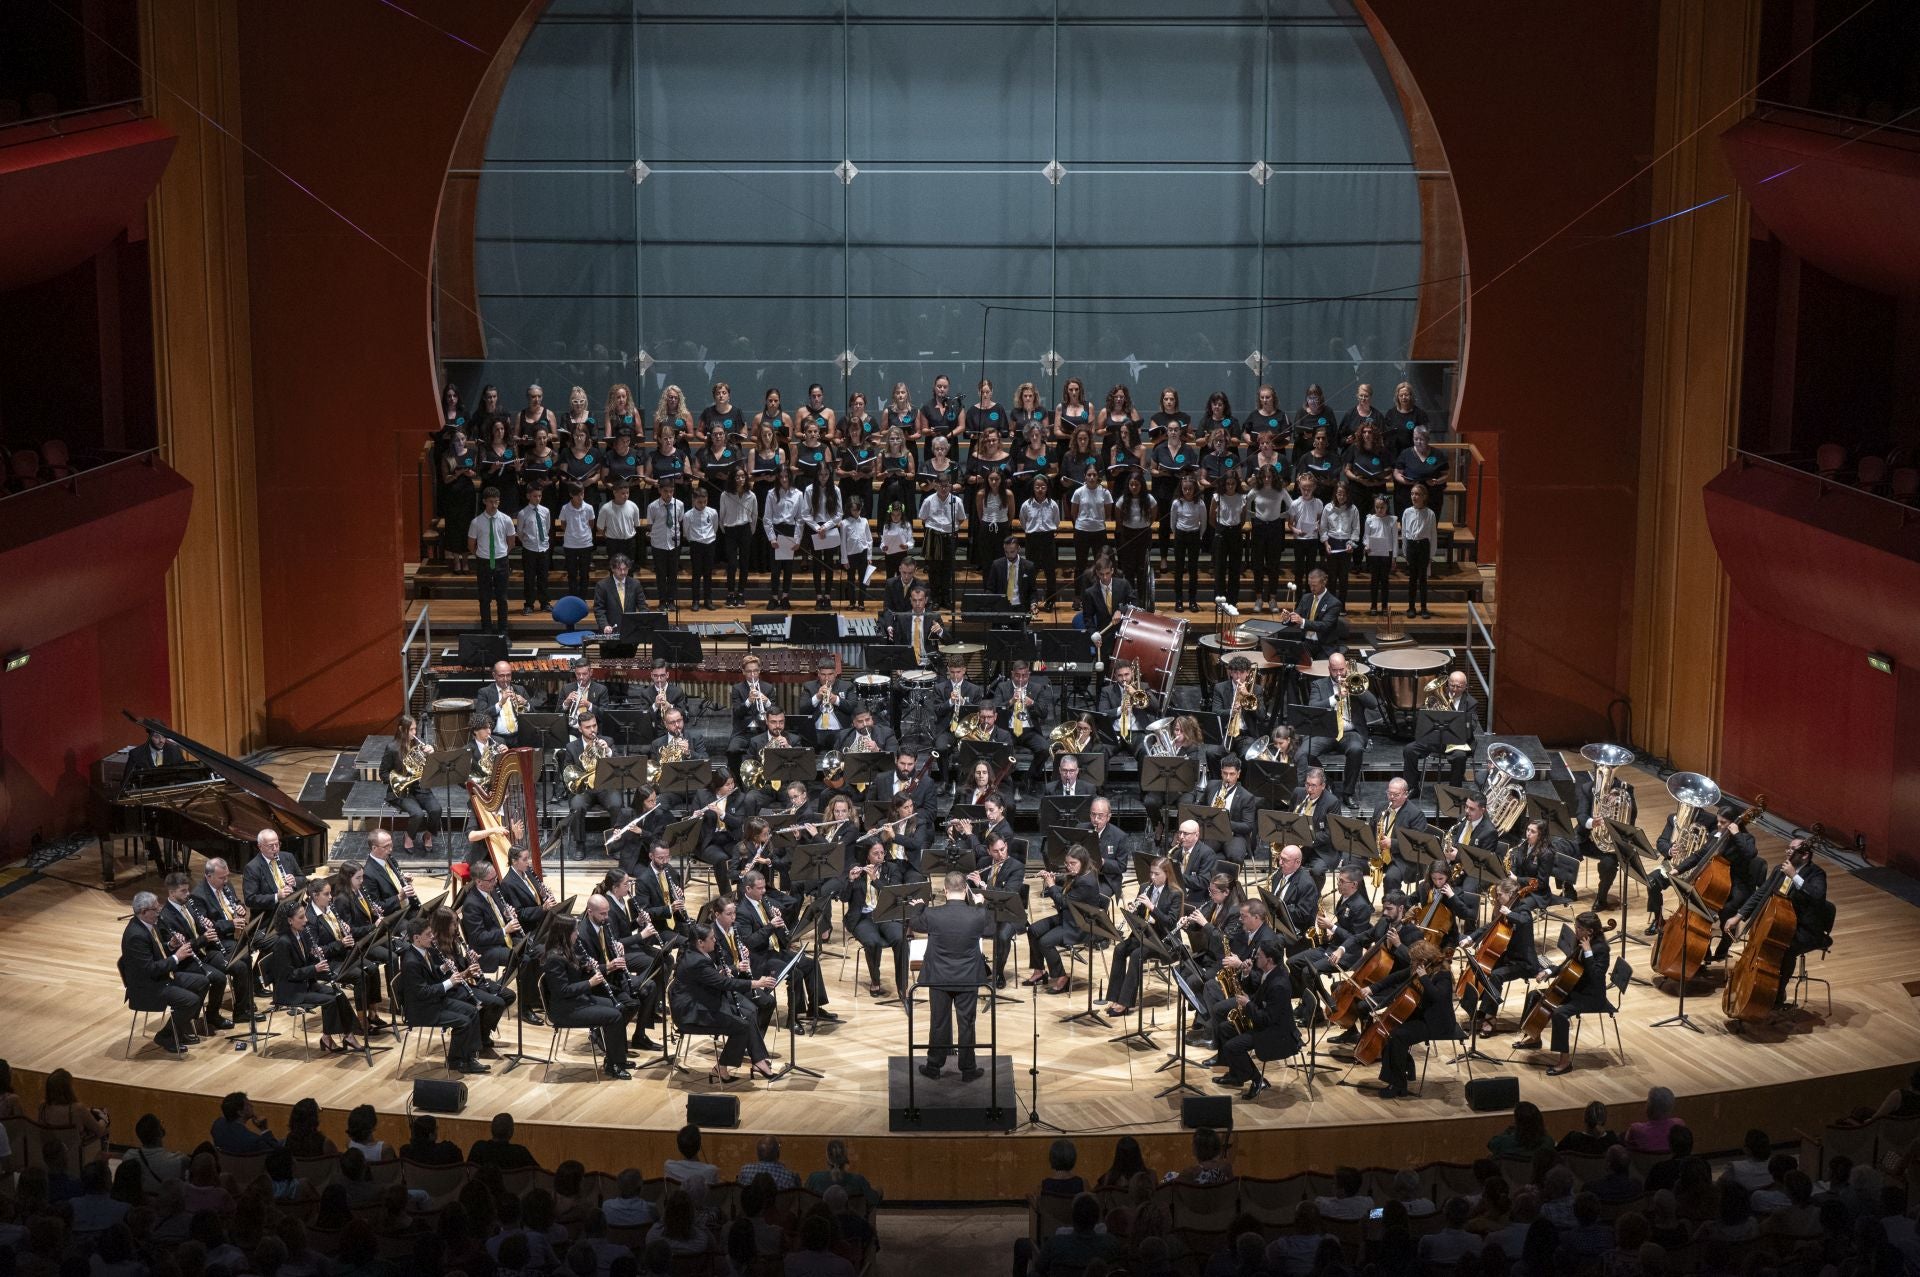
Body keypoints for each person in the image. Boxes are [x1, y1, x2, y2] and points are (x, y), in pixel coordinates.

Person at [1723, 833, 1831, 1010]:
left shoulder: (1816, 873)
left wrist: (1795, 876)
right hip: (1780, 924)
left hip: (1806, 929)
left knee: (1785, 950)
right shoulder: (1779, 870)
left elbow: (1818, 896)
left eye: (1792, 850)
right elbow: (1761, 894)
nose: (1787, 852)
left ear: (1804, 855)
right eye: (1787, 848)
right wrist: (1739, 916)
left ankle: (1776, 995)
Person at [669, 921, 780, 1082]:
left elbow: (710, 978)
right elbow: (725, 984)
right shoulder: (696, 961)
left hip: (703, 998)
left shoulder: (695, 951)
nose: (715, 940)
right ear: (700, 942)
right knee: (742, 1027)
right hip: (692, 1012)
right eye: (712, 938)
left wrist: (720, 972)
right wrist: (757, 983)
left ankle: (759, 1061)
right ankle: (721, 1068)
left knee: (748, 1013)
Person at [914, 870, 996, 1082]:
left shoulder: (932, 914)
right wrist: (980, 904)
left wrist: (919, 906)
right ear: (965, 890)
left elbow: (915, 924)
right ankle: (968, 1069)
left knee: (939, 1022)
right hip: (968, 977)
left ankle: (934, 1066)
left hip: (939, 977)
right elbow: (991, 928)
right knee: (966, 1023)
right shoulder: (977, 914)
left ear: (945, 890)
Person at [1513, 910, 1614, 1074]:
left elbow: (1596, 977)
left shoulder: (1601, 949)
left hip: (1591, 996)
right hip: (1574, 989)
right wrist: (1549, 972)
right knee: (1534, 995)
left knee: (1559, 1014)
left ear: (1590, 932)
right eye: (1576, 927)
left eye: (1579, 928)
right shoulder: (1580, 940)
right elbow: (1568, 964)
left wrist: (1588, 952)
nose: (1576, 931)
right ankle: (1534, 1037)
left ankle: (1564, 1062)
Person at [1366, 938, 1456, 1099]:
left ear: (1423, 960)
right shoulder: (1419, 969)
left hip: (1438, 1022)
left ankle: (1398, 1084)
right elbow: (1394, 978)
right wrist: (1373, 988)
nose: (1412, 963)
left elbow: (1437, 998)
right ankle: (1400, 1074)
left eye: (1414, 960)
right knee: (1390, 1032)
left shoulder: (1443, 975)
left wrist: (1423, 978)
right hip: (1423, 1016)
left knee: (1397, 1036)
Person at [1211, 937, 1300, 1100]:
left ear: (1269, 960)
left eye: (1259, 955)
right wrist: (1245, 974)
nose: (1255, 958)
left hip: (1277, 1034)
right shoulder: (1270, 972)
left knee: (1232, 1047)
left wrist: (1248, 1004)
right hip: (1264, 1023)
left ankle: (1258, 1081)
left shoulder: (1279, 984)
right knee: (1224, 1029)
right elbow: (1257, 991)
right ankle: (1236, 1075)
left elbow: (1267, 1019)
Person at [122, 890, 208, 1054]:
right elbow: (150, 969)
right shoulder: (136, 936)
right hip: (148, 987)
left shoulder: (147, 925)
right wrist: (177, 957)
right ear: (143, 912)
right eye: (155, 909)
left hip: (162, 977)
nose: (159, 911)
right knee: (190, 1001)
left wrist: (170, 946)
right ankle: (166, 1036)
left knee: (202, 982)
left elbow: (156, 952)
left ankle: (181, 1027)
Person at [1402, 670, 1476, 799]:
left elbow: (1472, 725)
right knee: (1409, 750)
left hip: (1457, 743)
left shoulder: (1470, 702)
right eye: (1452, 685)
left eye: (1459, 686)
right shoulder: (1437, 698)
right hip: (1436, 740)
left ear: (1465, 687)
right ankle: (1413, 787)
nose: (1454, 689)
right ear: (1447, 684)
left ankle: (1454, 791)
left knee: (1459, 757)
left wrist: (1456, 718)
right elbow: (1426, 719)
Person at [468, 486, 517, 636]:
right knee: (484, 598)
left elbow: (511, 542)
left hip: (501, 561)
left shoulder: (506, 519)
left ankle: (503, 632)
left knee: (502, 599)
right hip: (483, 561)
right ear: (484, 502)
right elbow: (471, 544)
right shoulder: (476, 522)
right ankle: (487, 631)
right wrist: (483, 555)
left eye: (496, 502)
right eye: (491, 502)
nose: (494, 505)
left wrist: (500, 554)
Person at [592, 553, 649, 635]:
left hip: (630, 632)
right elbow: (599, 609)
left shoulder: (635, 584)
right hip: (610, 632)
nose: (623, 572)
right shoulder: (602, 586)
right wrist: (605, 625)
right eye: (619, 569)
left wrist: (643, 621)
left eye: (625, 569)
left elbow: (642, 606)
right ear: (612, 569)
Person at [467, 1112, 538, 1170]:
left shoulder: (479, 1148)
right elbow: (540, 1173)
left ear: (491, 1129)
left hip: (482, 1187)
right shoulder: (520, 1152)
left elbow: (466, 1172)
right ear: (511, 1132)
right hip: (510, 1187)